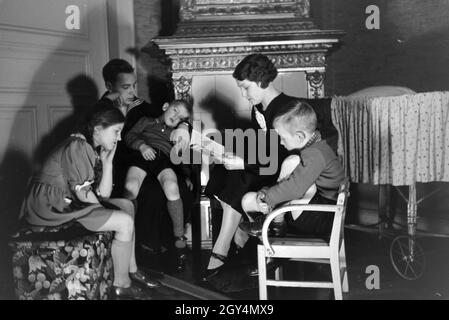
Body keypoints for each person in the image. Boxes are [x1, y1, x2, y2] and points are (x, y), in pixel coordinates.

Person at [203, 53, 339, 281]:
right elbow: (270, 150)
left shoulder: (284, 109)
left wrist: (244, 162)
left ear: (261, 82)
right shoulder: (262, 109)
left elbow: (286, 156)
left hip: (298, 178)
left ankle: (227, 249)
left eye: (246, 88)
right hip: (280, 171)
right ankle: (236, 245)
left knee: (241, 178)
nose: (243, 95)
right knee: (232, 174)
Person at [19, 107, 160, 299]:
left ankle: (131, 269)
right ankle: (121, 284)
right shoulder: (78, 145)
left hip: (64, 201)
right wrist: (109, 214)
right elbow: (86, 195)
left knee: (126, 206)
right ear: (97, 129)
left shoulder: (88, 147)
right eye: (116, 131)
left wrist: (108, 163)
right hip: (50, 206)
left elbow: (102, 193)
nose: (119, 138)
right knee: (124, 221)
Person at [95, 59, 193, 259]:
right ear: (109, 86)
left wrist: (184, 126)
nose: (132, 92)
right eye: (125, 87)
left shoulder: (143, 108)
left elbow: (173, 117)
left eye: (133, 86)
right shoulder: (100, 110)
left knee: (172, 186)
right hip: (118, 165)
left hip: (154, 160)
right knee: (142, 190)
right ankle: (135, 245)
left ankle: (168, 245)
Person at [240, 99, 345, 240]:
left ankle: (271, 223)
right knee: (292, 167)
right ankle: (273, 223)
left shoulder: (314, 155)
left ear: (300, 136)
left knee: (293, 165)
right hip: (323, 212)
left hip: (323, 219)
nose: (281, 142)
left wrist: (267, 198)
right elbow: (289, 183)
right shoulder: (318, 147)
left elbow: (294, 188)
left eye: (283, 138)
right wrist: (266, 193)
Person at [123, 99, 193, 266]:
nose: (176, 117)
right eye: (175, 111)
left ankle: (179, 237)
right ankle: (128, 234)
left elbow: (181, 155)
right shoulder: (146, 121)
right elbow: (129, 136)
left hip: (163, 159)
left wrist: (186, 174)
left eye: (180, 118)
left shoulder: (176, 132)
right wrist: (142, 146)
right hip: (142, 155)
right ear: (165, 106)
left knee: (172, 186)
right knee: (131, 187)